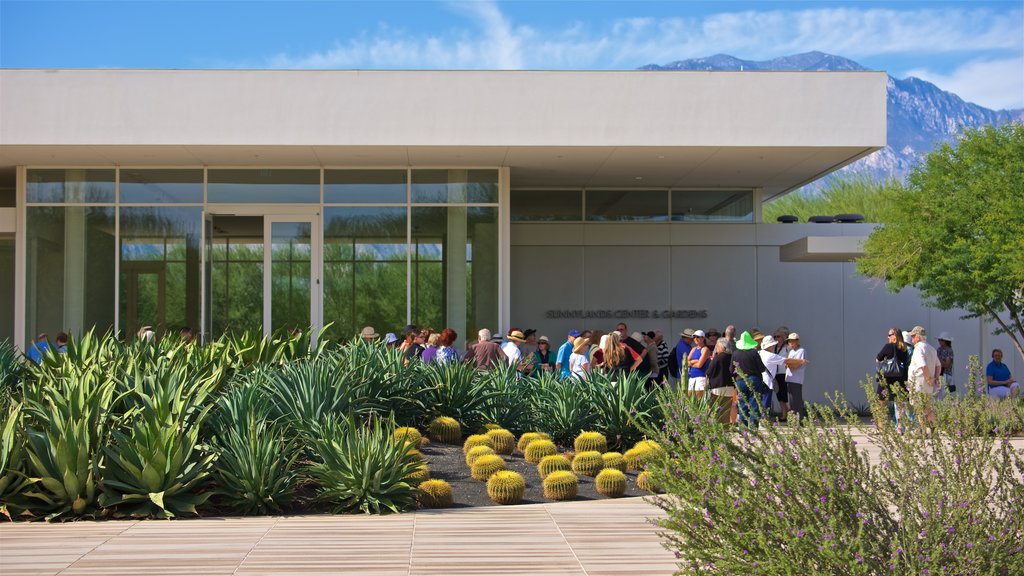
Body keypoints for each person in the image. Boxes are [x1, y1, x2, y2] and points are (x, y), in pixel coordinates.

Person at [875, 327, 910, 429]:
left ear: (894, 336)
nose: (888, 337)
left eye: (889, 335)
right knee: (900, 403)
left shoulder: (888, 346)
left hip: (887, 378)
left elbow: (877, 359)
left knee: (881, 403)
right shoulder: (904, 348)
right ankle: (900, 427)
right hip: (900, 379)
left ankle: (881, 426)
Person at [733, 331, 769, 428]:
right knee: (754, 404)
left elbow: (731, 369)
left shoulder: (735, 353)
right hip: (754, 379)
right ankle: (753, 428)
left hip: (740, 380)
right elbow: (762, 368)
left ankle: (743, 428)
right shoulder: (754, 353)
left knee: (742, 404)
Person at [907, 326, 940, 428]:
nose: (912, 339)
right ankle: (934, 427)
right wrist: (936, 379)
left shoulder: (918, 349)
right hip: (928, 383)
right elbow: (938, 365)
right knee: (927, 406)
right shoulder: (932, 349)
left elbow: (923, 365)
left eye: (913, 336)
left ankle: (922, 429)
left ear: (918, 337)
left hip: (919, 382)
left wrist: (928, 378)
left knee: (919, 406)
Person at [705, 338, 734, 422]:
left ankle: (717, 430)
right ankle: (726, 429)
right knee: (726, 411)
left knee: (716, 410)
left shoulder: (718, 357)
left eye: (717, 346)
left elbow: (709, 372)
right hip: (729, 387)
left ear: (721, 346)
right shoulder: (732, 357)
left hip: (717, 387)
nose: (716, 348)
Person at [758, 334, 788, 417]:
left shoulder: (758, 353)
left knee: (759, 402)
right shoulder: (771, 356)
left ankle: (759, 420)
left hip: (759, 380)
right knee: (765, 403)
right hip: (767, 383)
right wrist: (801, 361)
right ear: (770, 346)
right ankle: (763, 421)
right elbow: (786, 361)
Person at [783, 333, 809, 418]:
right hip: (790, 379)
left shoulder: (801, 350)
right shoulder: (791, 351)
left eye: (792, 341)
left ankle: (799, 420)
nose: (790, 343)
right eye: (789, 341)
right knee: (791, 401)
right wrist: (789, 364)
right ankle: (794, 419)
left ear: (797, 341)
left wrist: (789, 364)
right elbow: (788, 363)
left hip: (796, 379)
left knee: (796, 400)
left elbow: (796, 364)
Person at [686, 330, 710, 396]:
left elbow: (699, 365)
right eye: (694, 337)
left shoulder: (705, 349)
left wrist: (691, 363)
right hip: (692, 377)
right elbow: (686, 362)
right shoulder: (693, 349)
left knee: (699, 399)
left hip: (701, 377)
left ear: (703, 338)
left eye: (697, 337)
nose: (695, 339)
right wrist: (695, 361)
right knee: (690, 398)